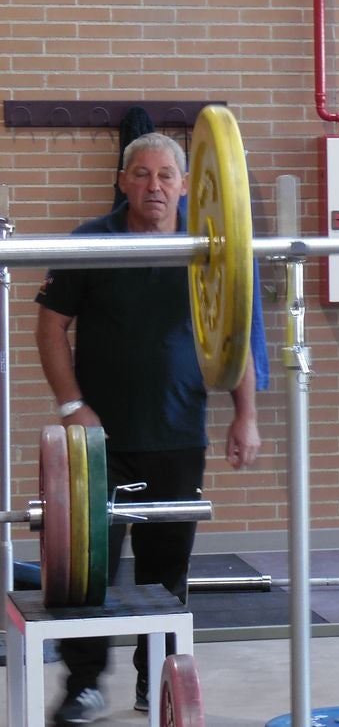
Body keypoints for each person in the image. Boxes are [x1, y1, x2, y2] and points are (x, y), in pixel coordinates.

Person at [35, 132, 262, 724]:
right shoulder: (90, 242)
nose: (153, 186)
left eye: (166, 175)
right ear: (121, 180)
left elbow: (235, 333)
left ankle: (155, 679)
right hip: (98, 440)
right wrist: (70, 406)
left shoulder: (207, 246)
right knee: (91, 572)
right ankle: (83, 685)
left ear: (187, 185)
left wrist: (246, 416)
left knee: (167, 571)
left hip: (178, 436)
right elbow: (50, 327)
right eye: (140, 174)